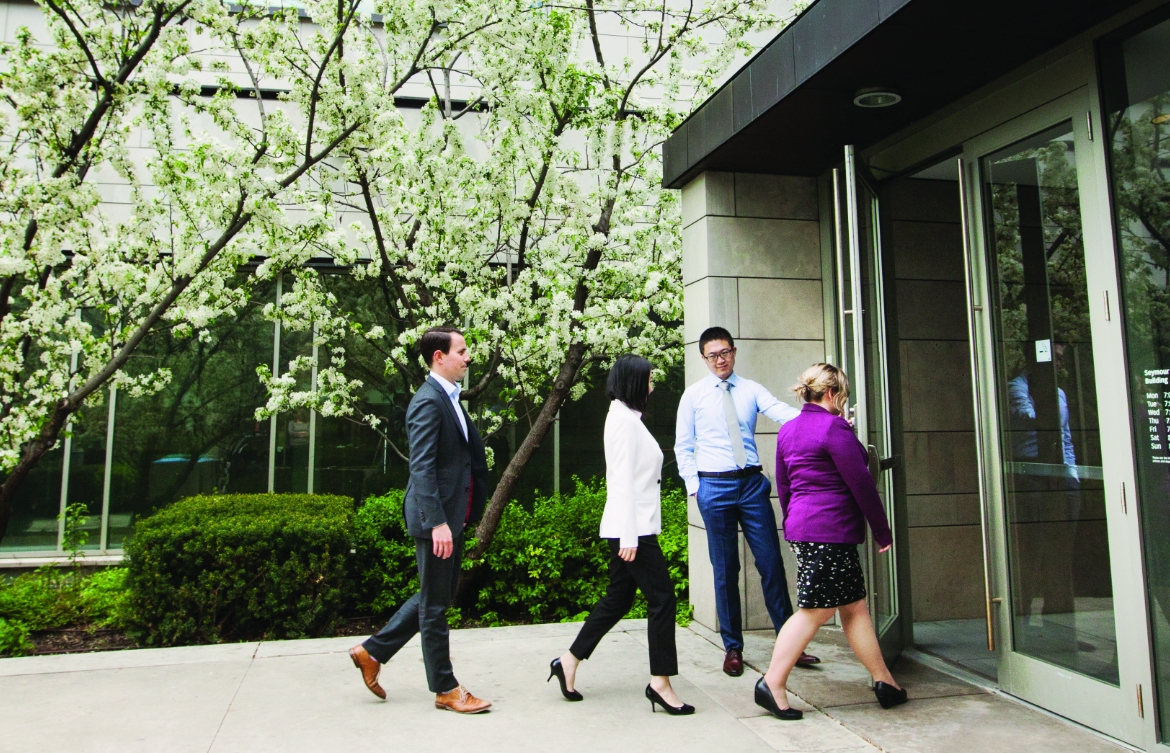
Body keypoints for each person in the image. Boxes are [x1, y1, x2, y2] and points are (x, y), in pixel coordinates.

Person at [348, 326, 492, 714]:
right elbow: (422, 469)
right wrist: (438, 523)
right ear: (438, 357)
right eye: (461, 351)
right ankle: (445, 688)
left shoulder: (450, 398)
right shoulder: (428, 402)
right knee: (435, 606)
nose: (467, 357)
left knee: (437, 596)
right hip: (438, 520)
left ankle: (372, 652)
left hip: (453, 517)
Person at [755, 363, 906, 721]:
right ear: (832, 394)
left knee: (854, 608)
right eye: (843, 396)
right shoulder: (835, 428)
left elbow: (786, 485)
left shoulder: (789, 430)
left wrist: (793, 527)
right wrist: (882, 532)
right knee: (816, 611)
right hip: (830, 532)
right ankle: (772, 683)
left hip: (806, 529)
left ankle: (885, 681)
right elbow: (862, 484)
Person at [549, 354, 694, 715]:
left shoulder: (626, 418)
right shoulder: (623, 423)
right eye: (647, 380)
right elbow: (621, 482)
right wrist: (629, 536)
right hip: (633, 529)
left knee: (619, 598)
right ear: (632, 382)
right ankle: (660, 682)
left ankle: (568, 660)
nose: (651, 386)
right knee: (663, 599)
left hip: (632, 527)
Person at [674, 326, 819, 676]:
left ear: (734, 352)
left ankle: (791, 643)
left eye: (725, 353)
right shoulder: (692, 396)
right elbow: (683, 446)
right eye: (713, 355)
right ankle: (733, 648)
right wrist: (697, 488)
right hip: (715, 488)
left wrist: (822, 421)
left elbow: (785, 414)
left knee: (770, 563)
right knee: (725, 572)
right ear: (704, 358)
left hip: (752, 485)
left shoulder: (751, 390)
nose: (720, 360)